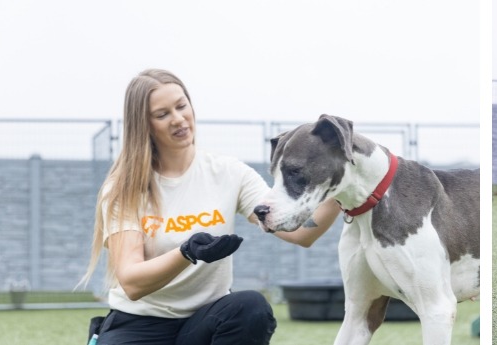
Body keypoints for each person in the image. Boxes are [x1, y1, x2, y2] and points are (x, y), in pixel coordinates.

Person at [78, 69, 342, 344]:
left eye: (181, 106)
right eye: (162, 114)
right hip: (139, 325)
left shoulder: (229, 173)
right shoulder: (124, 188)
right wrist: (187, 253)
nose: (178, 119)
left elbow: (301, 232)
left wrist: (339, 189)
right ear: (144, 125)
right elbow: (132, 282)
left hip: (205, 322)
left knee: (251, 307)